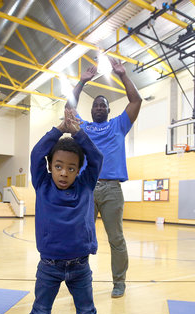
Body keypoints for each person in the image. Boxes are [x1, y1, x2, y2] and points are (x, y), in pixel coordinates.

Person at [18, 108, 104, 314]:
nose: (63, 173)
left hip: (80, 268)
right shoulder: (42, 184)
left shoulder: (86, 184)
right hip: (49, 267)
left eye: (70, 167)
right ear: (49, 166)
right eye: (58, 166)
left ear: (79, 169)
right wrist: (59, 129)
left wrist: (78, 132)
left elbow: (97, 157)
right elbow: (35, 154)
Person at [66, 58, 142, 298]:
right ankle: (79, 282)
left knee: (116, 238)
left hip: (111, 189)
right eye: (96, 105)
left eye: (103, 105)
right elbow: (68, 110)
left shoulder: (119, 125)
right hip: (86, 189)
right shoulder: (84, 128)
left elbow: (136, 100)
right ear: (91, 111)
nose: (99, 107)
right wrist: (81, 81)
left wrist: (123, 75)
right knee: (81, 237)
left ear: (109, 111)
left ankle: (119, 282)